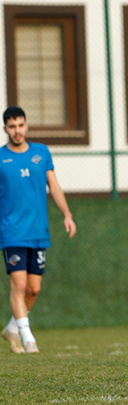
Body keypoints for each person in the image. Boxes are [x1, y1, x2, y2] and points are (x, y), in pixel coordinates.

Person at [0, 106, 77, 354]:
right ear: (5, 129)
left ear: (27, 126)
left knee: (34, 289)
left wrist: (67, 214)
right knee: (19, 286)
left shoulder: (41, 153)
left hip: (38, 232)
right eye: (12, 126)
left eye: (20, 125)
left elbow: (53, 186)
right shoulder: (1, 158)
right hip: (12, 232)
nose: (17, 131)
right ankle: (28, 339)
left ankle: (12, 328)